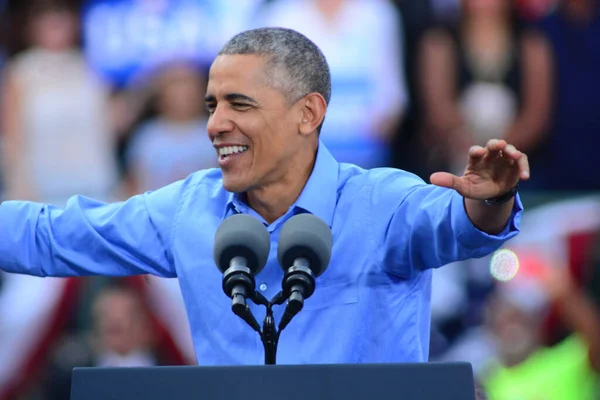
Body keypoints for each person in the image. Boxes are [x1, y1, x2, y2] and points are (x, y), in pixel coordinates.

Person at [0, 27, 529, 365]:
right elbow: (53, 236)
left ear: (309, 113)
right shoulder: (189, 209)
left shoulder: (381, 203)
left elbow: (461, 224)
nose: (215, 124)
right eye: (211, 105)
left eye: (239, 104)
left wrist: (490, 200)